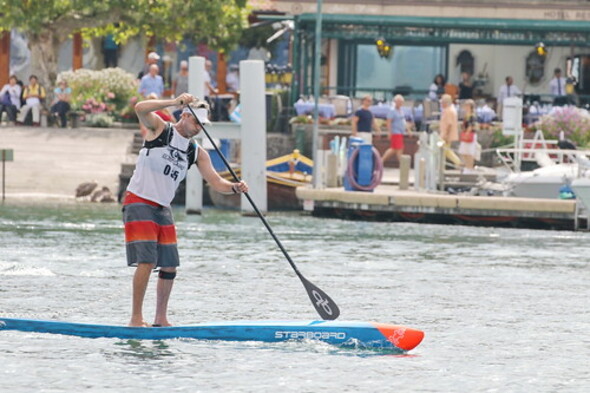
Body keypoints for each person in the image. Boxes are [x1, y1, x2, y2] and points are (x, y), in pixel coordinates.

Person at [124, 92, 248, 327]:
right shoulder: (161, 129)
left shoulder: (196, 152)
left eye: (203, 125)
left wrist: (235, 188)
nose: (200, 127)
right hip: (139, 200)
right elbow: (140, 108)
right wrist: (172, 102)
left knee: (170, 264)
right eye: (197, 122)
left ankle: (160, 318)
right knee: (147, 261)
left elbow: (216, 182)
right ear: (185, 115)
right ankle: (136, 318)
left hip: (162, 207)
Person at [381, 95, 412, 166]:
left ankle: (400, 163)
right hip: (395, 132)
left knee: (397, 148)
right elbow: (388, 122)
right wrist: (389, 132)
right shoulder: (392, 111)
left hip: (401, 132)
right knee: (396, 148)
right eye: (399, 102)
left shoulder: (401, 111)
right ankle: (383, 160)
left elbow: (403, 122)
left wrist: (408, 130)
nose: (400, 103)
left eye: (401, 102)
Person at [439, 94, 462, 167]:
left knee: (443, 151)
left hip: (445, 135)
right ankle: (458, 163)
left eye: (442, 103)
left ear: (445, 103)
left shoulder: (448, 111)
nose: (441, 104)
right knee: (447, 151)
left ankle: (458, 163)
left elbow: (449, 124)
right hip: (448, 134)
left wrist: (445, 135)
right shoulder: (452, 109)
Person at [458, 99, 477, 171]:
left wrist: (467, 133)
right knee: (464, 152)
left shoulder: (472, 116)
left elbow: (471, 125)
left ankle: (470, 167)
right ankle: (467, 166)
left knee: (469, 152)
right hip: (465, 134)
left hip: (470, 135)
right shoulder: (466, 115)